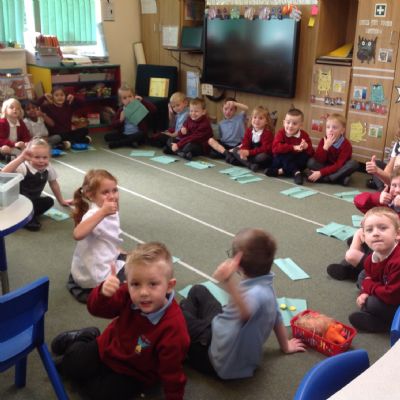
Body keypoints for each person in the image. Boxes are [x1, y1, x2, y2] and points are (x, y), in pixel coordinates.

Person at [51, 242, 190, 400]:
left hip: (135, 372)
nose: (143, 292)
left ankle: (90, 363)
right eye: (135, 284)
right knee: (71, 365)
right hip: (108, 347)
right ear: (127, 282)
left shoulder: (174, 328)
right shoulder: (126, 293)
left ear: (169, 286)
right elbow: (96, 309)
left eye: (153, 284)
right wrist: (103, 293)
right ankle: (86, 336)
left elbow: (172, 372)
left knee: (97, 394)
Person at [180, 228, 306, 379]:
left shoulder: (254, 296)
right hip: (222, 331)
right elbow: (276, 317)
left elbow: (245, 313)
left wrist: (227, 280)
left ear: (237, 262)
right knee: (198, 290)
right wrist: (285, 345)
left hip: (217, 360)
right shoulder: (266, 283)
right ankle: (190, 317)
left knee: (177, 316)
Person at [68, 169, 126, 303]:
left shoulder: (109, 208)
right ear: (91, 195)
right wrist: (102, 213)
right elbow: (77, 234)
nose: (112, 196)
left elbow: (108, 236)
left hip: (99, 263)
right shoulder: (94, 214)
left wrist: (116, 249)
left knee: (134, 259)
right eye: (105, 192)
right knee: (139, 274)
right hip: (95, 276)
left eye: (115, 190)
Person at [1, 137, 72, 231]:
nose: (41, 161)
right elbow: (2, 174)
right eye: (37, 157)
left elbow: (53, 183)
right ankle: (25, 217)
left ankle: (27, 215)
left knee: (49, 201)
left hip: (31, 201)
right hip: (17, 202)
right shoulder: (23, 167)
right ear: (28, 156)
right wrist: (21, 158)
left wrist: (61, 201)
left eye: (45, 157)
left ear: (49, 157)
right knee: (26, 208)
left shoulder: (48, 167)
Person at [348, 207, 400, 332]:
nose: (375, 233)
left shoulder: (398, 261)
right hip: (389, 287)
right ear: (364, 237)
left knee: (371, 303)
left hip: (395, 298)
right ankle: (376, 317)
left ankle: (385, 325)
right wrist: (364, 292)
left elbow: (391, 296)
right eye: (369, 230)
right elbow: (370, 277)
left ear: (397, 234)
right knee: (362, 276)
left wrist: (368, 287)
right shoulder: (371, 259)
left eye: (383, 228)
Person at [307, 113, 359, 186]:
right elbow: (318, 160)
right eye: (328, 127)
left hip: (339, 168)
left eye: (334, 128)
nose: (330, 130)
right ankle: (340, 179)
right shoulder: (323, 140)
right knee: (311, 162)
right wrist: (325, 147)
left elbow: (338, 165)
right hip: (325, 166)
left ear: (342, 131)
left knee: (353, 164)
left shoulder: (346, 145)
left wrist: (321, 173)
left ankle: (326, 179)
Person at [265, 107, 313, 185]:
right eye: (288, 122)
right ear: (284, 123)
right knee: (284, 155)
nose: (290, 126)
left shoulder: (304, 135)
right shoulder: (281, 133)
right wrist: (293, 147)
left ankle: (281, 171)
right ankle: (296, 172)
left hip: (295, 160)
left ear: (300, 125)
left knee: (304, 157)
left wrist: (306, 147)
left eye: (294, 124)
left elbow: (311, 153)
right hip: (281, 160)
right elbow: (274, 148)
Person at [104, 84, 156, 149]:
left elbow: (153, 109)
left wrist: (143, 100)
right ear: (121, 100)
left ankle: (119, 143)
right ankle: (129, 142)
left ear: (134, 96)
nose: (128, 99)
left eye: (130, 96)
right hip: (125, 134)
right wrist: (120, 120)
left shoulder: (139, 105)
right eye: (125, 98)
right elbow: (113, 125)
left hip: (137, 134)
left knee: (141, 135)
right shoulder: (121, 110)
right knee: (107, 137)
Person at [227, 105, 274, 172]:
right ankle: (250, 165)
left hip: (260, 155)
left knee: (262, 157)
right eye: (255, 117)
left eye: (260, 118)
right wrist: (243, 152)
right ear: (251, 119)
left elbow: (264, 149)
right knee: (235, 150)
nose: (257, 120)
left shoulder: (268, 133)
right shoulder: (249, 131)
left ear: (266, 121)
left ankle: (244, 162)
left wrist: (248, 153)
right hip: (251, 154)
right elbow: (245, 143)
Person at [365, 119, 400, 191]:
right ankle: (383, 189)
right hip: (394, 180)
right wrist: (377, 171)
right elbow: (388, 173)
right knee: (377, 164)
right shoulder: (398, 144)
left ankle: (381, 189)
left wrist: (378, 172)